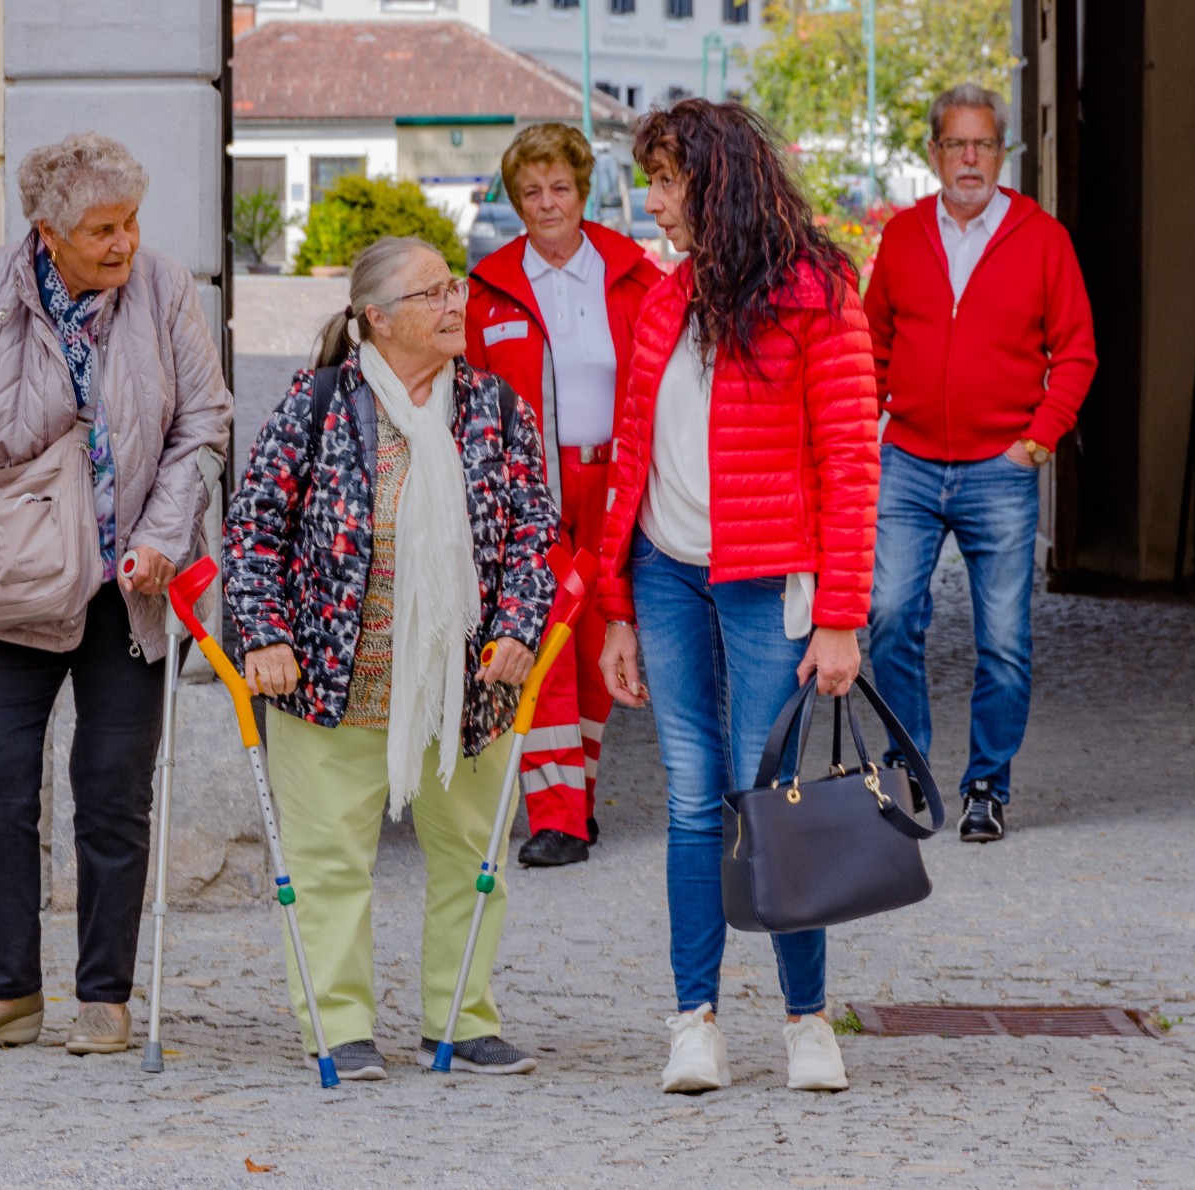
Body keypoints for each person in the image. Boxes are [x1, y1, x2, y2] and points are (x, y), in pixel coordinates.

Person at [0, 133, 233, 1055]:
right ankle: (9, 991)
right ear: (48, 232)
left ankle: (105, 995)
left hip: (127, 589)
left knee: (113, 790)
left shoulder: (164, 290)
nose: (124, 243)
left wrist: (161, 539)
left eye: (131, 222)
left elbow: (203, 424)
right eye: (102, 229)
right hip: (7, 580)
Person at [223, 236, 558, 1081]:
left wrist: (520, 625)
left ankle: (463, 1020)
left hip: (463, 685)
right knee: (328, 864)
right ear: (376, 317)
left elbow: (534, 533)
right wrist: (264, 633)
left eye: (455, 288)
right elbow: (253, 527)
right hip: (330, 681)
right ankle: (339, 1026)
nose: (454, 305)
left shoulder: (496, 407)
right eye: (431, 294)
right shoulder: (317, 403)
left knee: (474, 863)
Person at [596, 100, 880, 1095]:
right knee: (690, 795)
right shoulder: (664, 298)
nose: (653, 202)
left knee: (771, 801)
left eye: (666, 181)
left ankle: (808, 1021)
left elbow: (851, 462)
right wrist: (618, 606)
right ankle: (696, 1022)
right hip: (667, 572)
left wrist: (840, 615)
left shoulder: (817, 294)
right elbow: (632, 456)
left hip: (769, 579)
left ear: (716, 182)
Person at [863, 84, 1097, 844]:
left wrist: (1037, 440)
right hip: (909, 461)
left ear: (1003, 153)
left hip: (1000, 468)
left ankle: (987, 786)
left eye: (984, 144)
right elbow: (872, 345)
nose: (970, 158)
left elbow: (1077, 353)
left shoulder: (1043, 239)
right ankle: (908, 768)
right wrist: (866, 430)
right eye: (956, 144)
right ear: (934, 153)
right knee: (889, 616)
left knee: (1003, 640)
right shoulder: (903, 236)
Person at [465, 123, 664, 868]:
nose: (546, 203)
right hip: (530, 493)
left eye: (559, 188)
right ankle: (557, 819)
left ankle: (576, 797)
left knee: (598, 643)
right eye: (531, 192)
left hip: (616, 485)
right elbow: (471, 404)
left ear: (583, 192)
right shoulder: (488, 292)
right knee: (541, 637)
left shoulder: (635, 277)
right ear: (515, 202)